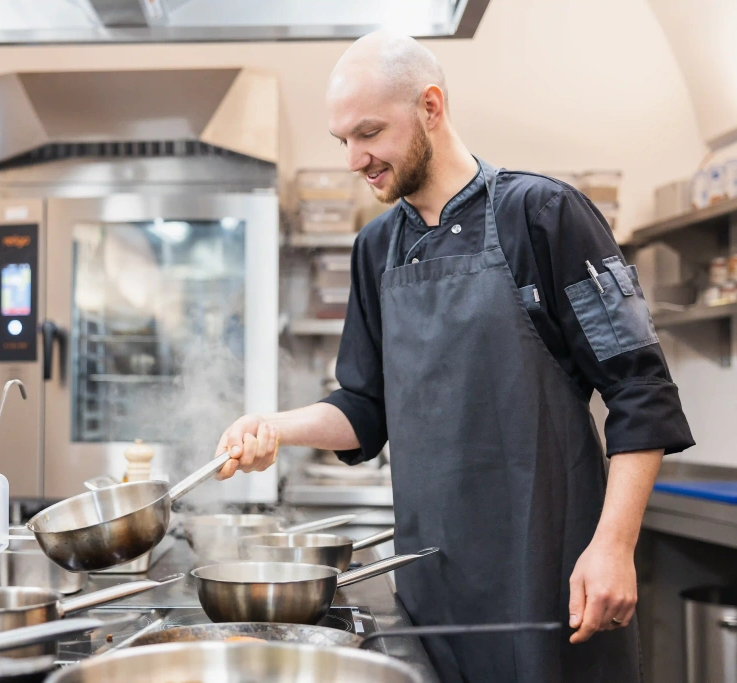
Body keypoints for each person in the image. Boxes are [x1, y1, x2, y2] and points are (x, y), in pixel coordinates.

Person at [213, 31, 694, 683]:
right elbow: (364, 406)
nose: (356, 158)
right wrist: (273, 426)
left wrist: (614, 544)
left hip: (553, 583)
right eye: (342, 141)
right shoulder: (374, 247)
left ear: (431, 108)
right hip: (431, 597)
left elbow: (640, 388)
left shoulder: (544, 214)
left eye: (369, 133)